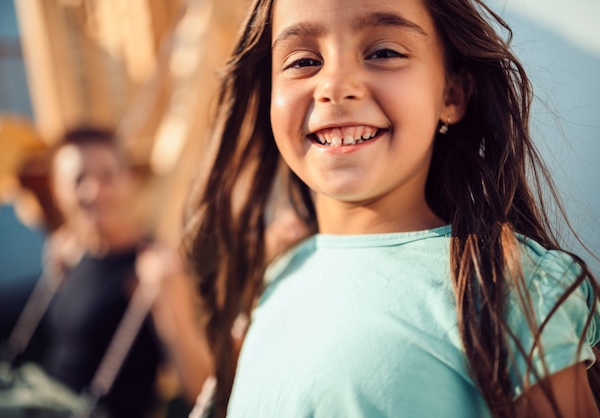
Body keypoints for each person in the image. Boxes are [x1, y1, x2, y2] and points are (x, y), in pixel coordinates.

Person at [181, 0, 600, 417]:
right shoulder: (274, 279)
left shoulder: (507, 286)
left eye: (383, 53)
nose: (335, 85)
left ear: (451, 94)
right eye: (304, 60)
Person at [42, 127, 212, 417]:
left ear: (130, 180)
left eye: (108, 176)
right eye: (78, 179)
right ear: (58, 190)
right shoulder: (71, 253)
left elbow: (199, 388)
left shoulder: (153, 269)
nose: (94, 191)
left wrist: (168, 301)